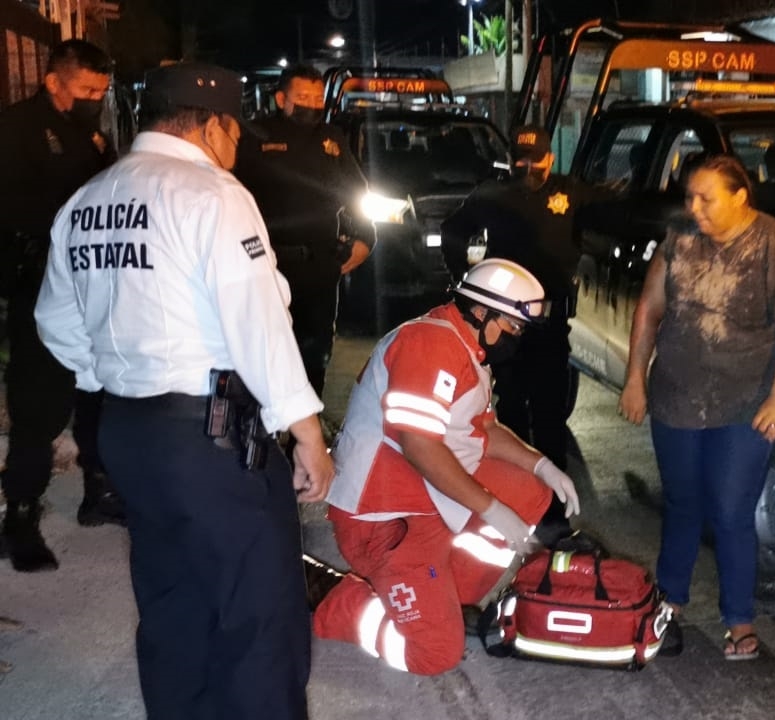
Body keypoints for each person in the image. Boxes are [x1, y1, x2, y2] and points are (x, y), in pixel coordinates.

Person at [34, 62, 335, 719]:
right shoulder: (212, 193)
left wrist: (109, 373)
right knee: (257, 611)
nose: (238, 147)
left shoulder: (89, 199)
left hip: (128, 430)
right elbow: (255, 318)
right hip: (212, 430)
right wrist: (306, 429)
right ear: (213, 124)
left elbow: (54, 321)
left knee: (173, 600)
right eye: (235, 132)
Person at [311, 257, 580, 676]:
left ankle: (446, 595)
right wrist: (492, 509)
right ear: (481, 311)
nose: (516, 337)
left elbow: (484, 430)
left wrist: (542, 464)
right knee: (436, 653)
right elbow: (420, 446)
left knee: (529, 488)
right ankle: (334, 599)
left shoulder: (465, 349)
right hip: (384, 520)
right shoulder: (429, 344)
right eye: (512, 326)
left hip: (424, 499)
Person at [618, 154, 775, 661]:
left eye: (705, 198)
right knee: (682, 503)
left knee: (732, 511)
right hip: (676, 396)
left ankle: (738, 619)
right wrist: (635, 380)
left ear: (740, 197)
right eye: (689, 196)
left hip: (745, 403)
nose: (694, 208)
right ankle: (669, 604)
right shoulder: (679, 237)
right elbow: (650, 308)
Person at [0, 39, 122, 572]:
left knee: (99, 390)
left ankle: (100, 491)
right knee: (38, 402)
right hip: (39, 283)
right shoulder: (17, 128)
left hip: (93, 282)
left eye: (101, 90)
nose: (95, 98)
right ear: (53, 81)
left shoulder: (91, 131)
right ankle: (20, 513)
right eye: (86, 89)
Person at [441, 125, 609, 479]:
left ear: (551, 159)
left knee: (550, 417)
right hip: (504, 329)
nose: (528, 168)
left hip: (550, 326)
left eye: (536, 161)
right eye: (520, 160)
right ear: (509, 159)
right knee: (510, 417)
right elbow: (453, 231)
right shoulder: (493, 193)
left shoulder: (570, 192)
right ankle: (514, 497)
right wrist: (465, 279)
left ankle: (552, 511)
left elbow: (613, 215)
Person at [235, 64, 374, 396]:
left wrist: (366, 237)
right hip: (267, 264)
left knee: (315, 355)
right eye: (303, 97)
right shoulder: (254, 135)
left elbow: (356, 191)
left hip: (319, 265)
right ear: (282, 98)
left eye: (316, 97)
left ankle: (305, 433)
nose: (311, 104)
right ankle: (265, 434)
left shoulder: (331, 138)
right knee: (264, 352)